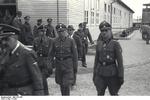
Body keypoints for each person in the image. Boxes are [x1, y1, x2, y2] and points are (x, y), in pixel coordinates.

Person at [0, 24, 44, 95]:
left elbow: (37, 78)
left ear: (15, 38)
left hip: (22, 93)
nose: (3, 42)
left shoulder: (27, 53)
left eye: (7, 39)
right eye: (2, 40)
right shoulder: (4, 53)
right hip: (6, 93)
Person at [93, 21, 124, 96]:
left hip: (112, 74)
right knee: (100, 94)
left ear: (110, 31)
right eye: (102, 31)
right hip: (100, 74)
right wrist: (94, 74)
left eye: (106, 30)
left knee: (114, 94)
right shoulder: (99, 44)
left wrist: (121, 76)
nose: (104, 32)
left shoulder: (115, 44)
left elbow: (120, 62)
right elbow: (96, 60)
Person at [52, 23, 78, 95]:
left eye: (62, 31)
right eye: (59, 32)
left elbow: (75, 55)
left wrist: (75, 67)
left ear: (65, 31)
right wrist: (50, 65)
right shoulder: (54, 41)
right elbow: (51, 54)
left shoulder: (71, 41)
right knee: (61, 84)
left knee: (66, 84)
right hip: (59, 65)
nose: (61, 33)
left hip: (68, 65)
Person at [33, 27, 53, 95]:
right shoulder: (35, 40)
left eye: (44, 31)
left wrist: (50, 63)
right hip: (38, 61)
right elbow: (33, 51)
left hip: (45, 62)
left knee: (43, 78)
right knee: (38, 78)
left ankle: (46, 94)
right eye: (41, 31)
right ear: (38, 32)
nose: (43, 33)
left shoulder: (49, 40)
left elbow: (51, 53)